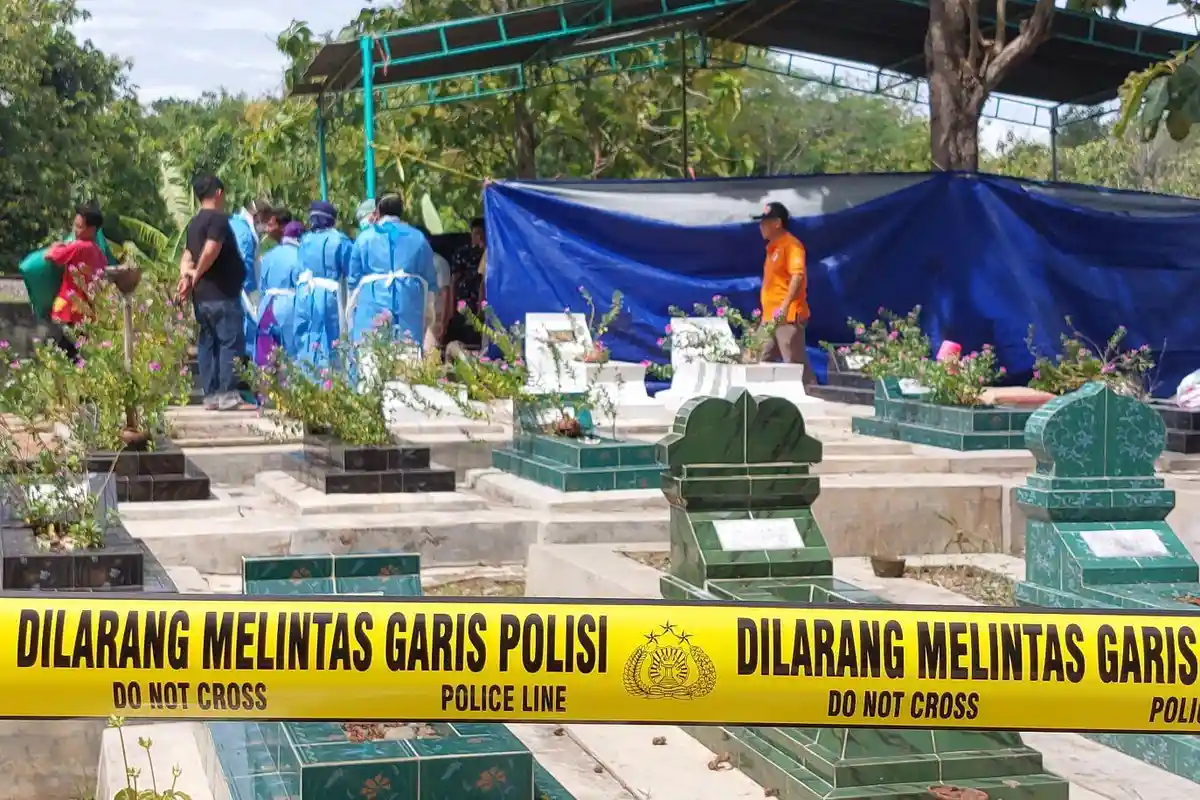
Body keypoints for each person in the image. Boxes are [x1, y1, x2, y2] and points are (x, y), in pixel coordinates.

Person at [177, 174, 255, 411]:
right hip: (221, 293)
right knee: (229, 342)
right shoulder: (218, 220)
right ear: (218, 193)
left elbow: (187, 255)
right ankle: (228, 395)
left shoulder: (195, 223)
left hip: (202, 297)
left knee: (208, 343)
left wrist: (187, 278)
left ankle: (210, 395)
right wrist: (197, 273)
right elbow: (212, 248)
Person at [347, 192, 437, 347]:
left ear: (377, 211)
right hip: (409, 307)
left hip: (371, 308)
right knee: (407, 358)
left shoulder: (365, 238)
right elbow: (430, 281)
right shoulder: (419, 238)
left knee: (372, 358)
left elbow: (353, 281)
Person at [754, 201, 815, 386]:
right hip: (769, 318)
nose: (760, 227)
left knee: (795, 365)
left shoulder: (792, 245)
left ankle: (813, 395)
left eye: (765, 222)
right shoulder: (773, 248)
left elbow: (797, 276)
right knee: (759, 357)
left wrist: (784, 307)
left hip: (787, 316)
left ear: (777, 223)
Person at [44, 203, 109, 361]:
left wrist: (54, 247)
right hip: (87, 315)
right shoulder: (99, 253)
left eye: (79, 227)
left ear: (91, 230)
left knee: (60, 355)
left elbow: (52, 256)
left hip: (69, 312)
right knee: (79, 356)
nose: (75, 230)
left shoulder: (79, 247)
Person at [295, 200, 351, 368]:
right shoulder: (340, 239)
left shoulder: (305, 240)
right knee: (331, 338)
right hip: (329, 295)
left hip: (305, 294)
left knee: (306, 337)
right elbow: (351, 269)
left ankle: (307, 378)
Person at [255, 220, 303, 362]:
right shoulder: (300, 255)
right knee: (291, 354)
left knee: (265, 354)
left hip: (266, 306)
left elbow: (261, 285)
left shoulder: (269, 255)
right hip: (288, 308)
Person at [446, 216, 485, 348]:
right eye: (476, 234)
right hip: (464, 304)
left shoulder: (490, 254)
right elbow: (453, 282)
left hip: (482, 305)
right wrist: (451, 310)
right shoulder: (463, 253)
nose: (479, 237)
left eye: (481, 234)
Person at [413, 225, 452, 354]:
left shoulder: (438, 262)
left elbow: (446, 293)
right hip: (417, 317)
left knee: (430, 355)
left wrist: (443, 322)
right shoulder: (413, 264)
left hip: (435, 318)